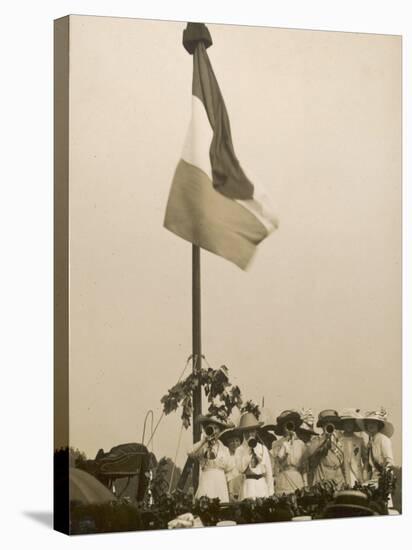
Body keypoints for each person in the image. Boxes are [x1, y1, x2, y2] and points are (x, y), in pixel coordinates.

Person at [187, 414, 234, 502]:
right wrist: (203, 441)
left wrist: (230, 492)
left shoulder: (224, 449)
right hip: (206, 481)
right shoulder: (202, 447)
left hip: (220, 483)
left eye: (216, 428)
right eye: (211, 428)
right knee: (205, 505)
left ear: (220, 430)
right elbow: (190, 452)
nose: (214, 431)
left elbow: (229, 472)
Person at [234, 412, 274, 499]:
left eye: (252, 431)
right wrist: (249, 450)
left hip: (261, 485)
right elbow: (241, 468)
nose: (249, 434)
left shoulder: (262, 448)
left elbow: (268, 471)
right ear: (243, 433)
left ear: (256, 431)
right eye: (246, 431)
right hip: (248, 485)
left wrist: (270, 492)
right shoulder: (239, 450)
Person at [270, 410, 308, 494]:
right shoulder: (277, 444)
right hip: (283, 477)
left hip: (297, 479)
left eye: (291, 425)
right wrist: (285, 444)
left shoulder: (300, 444)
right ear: (283, 427)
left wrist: (306, 485)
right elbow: (277, 462)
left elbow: (304, 467)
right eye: (286, 425)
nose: (289, 428)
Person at [306, 410, 345, 489]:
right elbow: (309, 452)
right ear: (322, 426)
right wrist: (324, 437)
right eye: (325, 423)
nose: (329, 425)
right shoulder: (317, 439)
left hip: (339, 477)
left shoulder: (340, 439)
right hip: (324, 476)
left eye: (331, 422)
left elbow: (345, 463)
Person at [357, 409, 394, 482]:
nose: (371, 425)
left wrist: (387, 480)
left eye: (374, 422)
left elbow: (389, 461)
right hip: (373, 478)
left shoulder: (383, 439)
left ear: (379, 425)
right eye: (368, 423)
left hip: (384, 479)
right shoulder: (371, 442)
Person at [338, 408, 367, 486]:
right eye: (346, 423)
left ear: (354, 425)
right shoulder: (338, 440)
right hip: (342, 476)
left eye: (351, 423)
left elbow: (366, 459)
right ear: (343, 424)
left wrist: (364, 473)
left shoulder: (359, 440)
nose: (349, 425)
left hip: (357, 476)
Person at [220, 428, 243, 501]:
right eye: (232, 441)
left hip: (242, 488)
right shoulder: (226, 458)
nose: (235, 443)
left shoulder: (243, 457)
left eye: (237, 441)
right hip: (229, 490)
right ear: (228, 444)